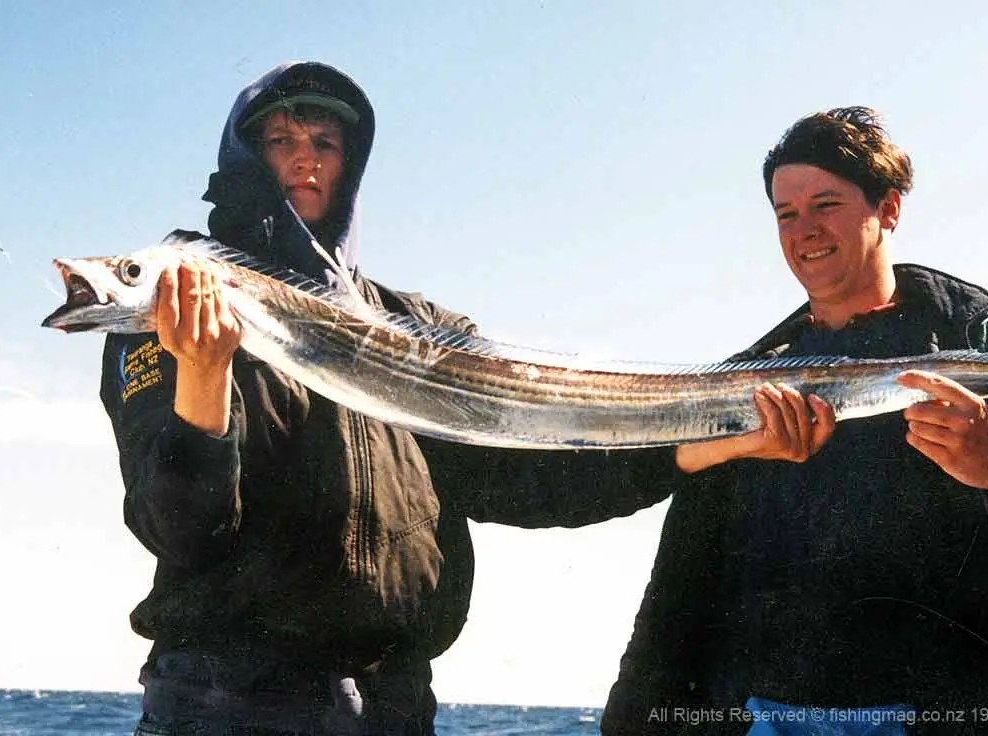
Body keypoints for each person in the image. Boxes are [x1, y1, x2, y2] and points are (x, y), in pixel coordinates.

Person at [99, 61, 688, 735]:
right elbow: (177, 529)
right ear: (245, 159)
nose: (305, 159)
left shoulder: (422, 330)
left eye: (325, 143)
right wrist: (204, 375)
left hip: (395, 705)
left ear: (351, 164)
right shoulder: (174, 311)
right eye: (281, 141)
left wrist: (693, 450)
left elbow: (527, 476)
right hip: (227, 704)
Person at [600, 107, 988, 735]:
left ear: (888, 208)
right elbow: (679, 589)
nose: (804, 230)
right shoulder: (744, 384)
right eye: (786, 213)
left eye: (826, 203)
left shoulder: (984, 349)